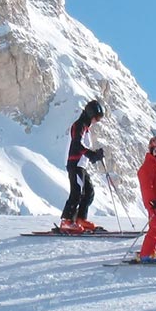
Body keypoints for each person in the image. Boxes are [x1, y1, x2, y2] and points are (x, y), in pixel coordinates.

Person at [59, 100, 106, 233]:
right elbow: (76, 144)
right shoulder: (79, 125)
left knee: (89, 192)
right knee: (77, 192)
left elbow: (83, 147)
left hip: (81, 165)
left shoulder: (86, 128)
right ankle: (66, 221)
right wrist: (91, 154)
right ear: (91, 114)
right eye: (97, 117)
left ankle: (80, 219)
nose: (97, 121)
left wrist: (95, 154)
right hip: (75, 164)